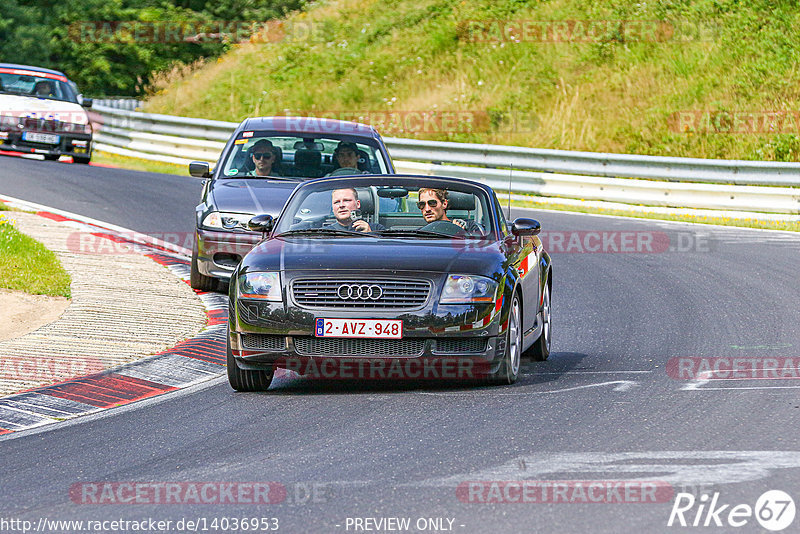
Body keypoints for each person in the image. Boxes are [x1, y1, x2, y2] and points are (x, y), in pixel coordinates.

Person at [418, 188, 483, 234]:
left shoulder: (469, 227)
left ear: (444, 204)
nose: (427, 209)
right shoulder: (418, 234)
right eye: (422, 204)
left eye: (432, 203)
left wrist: (460, 232)